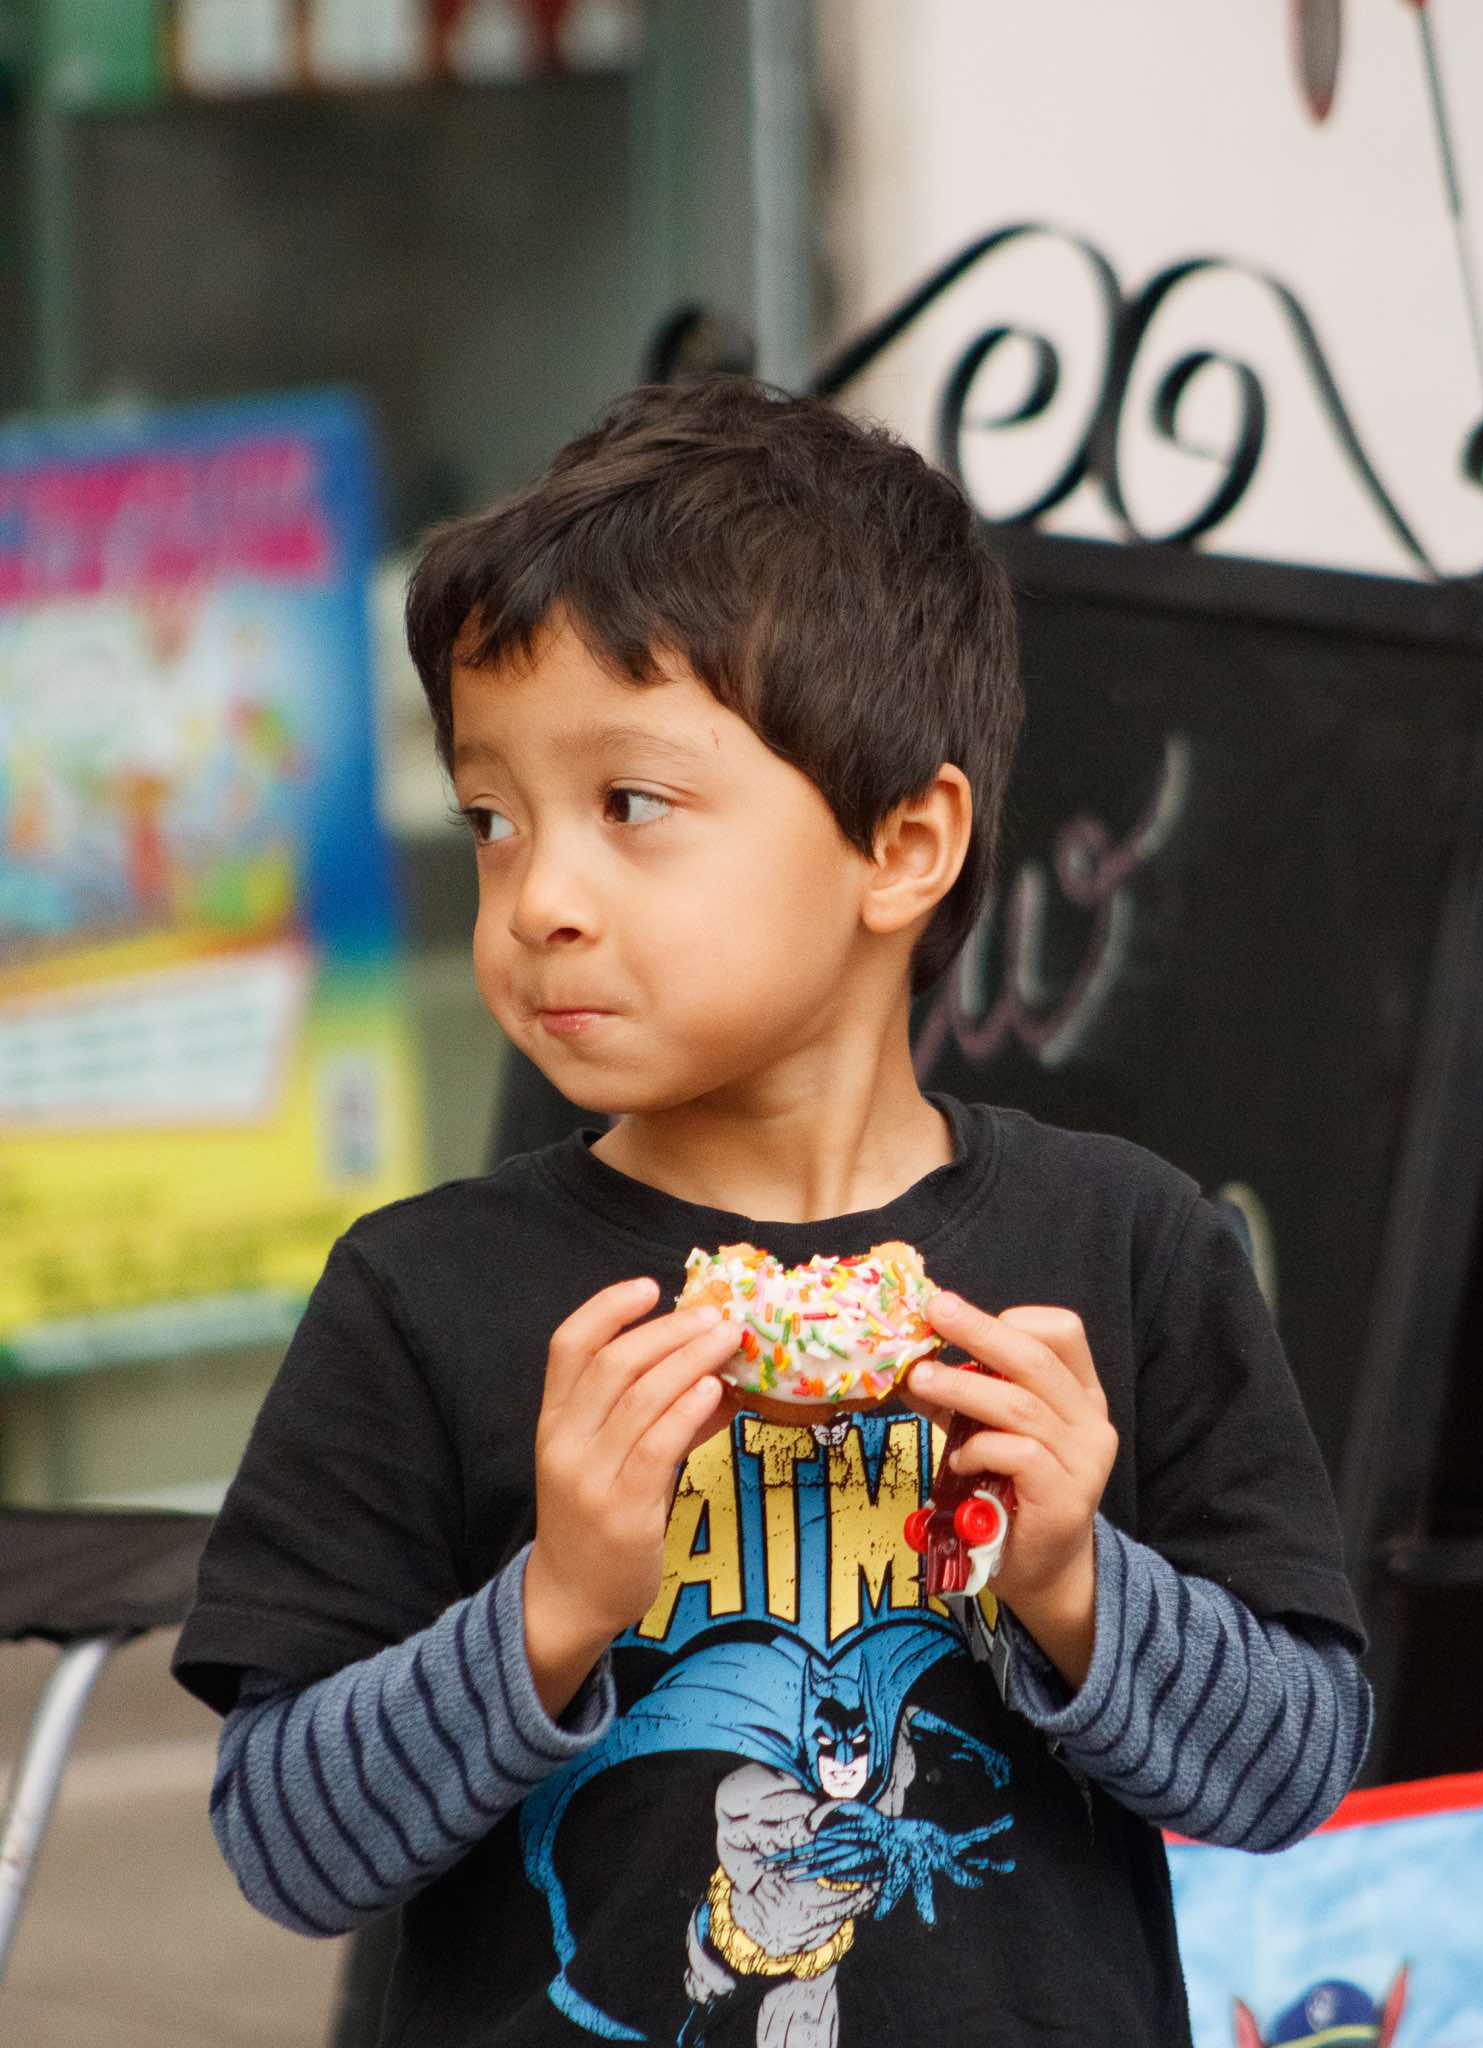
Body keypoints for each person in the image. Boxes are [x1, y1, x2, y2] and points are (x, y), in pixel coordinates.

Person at [173, 378, 1372, 2048]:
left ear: (904, 844)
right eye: (493, 821)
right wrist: (552, 1607)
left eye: (631, 806)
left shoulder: (1125, 1248)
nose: (541, 899)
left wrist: (1074, 1581)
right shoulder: (424, 1294)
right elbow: (289, 1847)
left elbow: (1295, 1773)